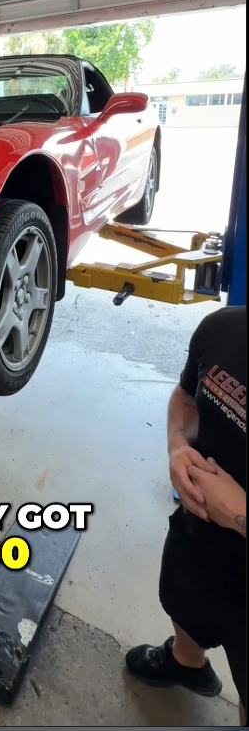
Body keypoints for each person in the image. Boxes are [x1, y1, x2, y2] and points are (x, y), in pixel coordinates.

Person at [125, 305, 246, 725]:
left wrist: (240, 513)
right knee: (184, 601)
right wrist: (178, 443)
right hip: (199, 535)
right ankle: (186, 662)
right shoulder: (223, 328)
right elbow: (187, 397)